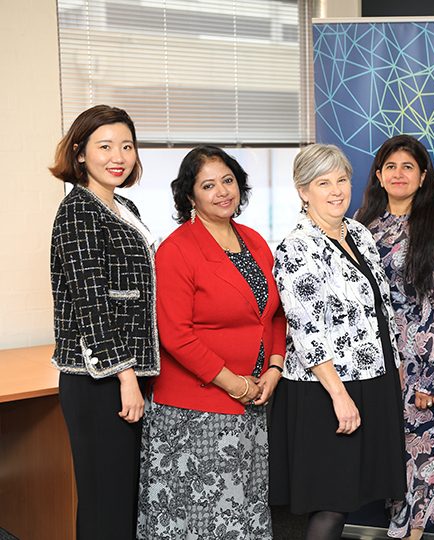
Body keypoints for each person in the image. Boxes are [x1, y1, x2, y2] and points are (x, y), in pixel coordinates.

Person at [137, 146, 286, 539]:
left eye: (228, 180)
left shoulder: (253, 240)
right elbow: (175, 334)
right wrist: (232, 382)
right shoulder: (177, 249)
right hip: (195, 409)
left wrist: (274, 367)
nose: (222, 191)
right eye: (208, 185)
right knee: (199, 518)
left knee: (244, 508)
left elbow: (272, 313)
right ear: (190, 196)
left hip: (252, 401)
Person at [269, 143, 407, 540]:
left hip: (371, 377)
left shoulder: (359, 233)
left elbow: (379, 307)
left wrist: (393, 363)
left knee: (349, 496)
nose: (335, 190)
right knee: (331, 502)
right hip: (326, 388)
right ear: (302, 190)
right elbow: (307, 329)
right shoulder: (297, 246)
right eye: (322, 182)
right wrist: (339, 395)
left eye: (342, 179)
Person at [49, 104, 159, 539]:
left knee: (124, 499)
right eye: (105, 145)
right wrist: (126, 376)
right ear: (80, 154)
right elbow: (91, 301)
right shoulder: (78, 211)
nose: (119, 155)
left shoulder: (122, 205)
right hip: (101, 379)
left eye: (127, 145)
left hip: (126, 373)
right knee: (105, 501)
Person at [356, 135, 434, 539]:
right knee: (390, 459)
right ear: (379, 177)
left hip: (418, 368)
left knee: (420, 460)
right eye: (390, 167)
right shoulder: (361, 229)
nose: (398, 174)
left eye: (408, 167)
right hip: (374, 364)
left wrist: (427, 378)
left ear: (422, 178)